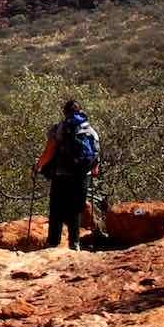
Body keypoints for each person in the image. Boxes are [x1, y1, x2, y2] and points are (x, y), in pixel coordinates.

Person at [35, 100, 101, 250]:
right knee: (75, 209)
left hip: (61, 175)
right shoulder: (90, 130)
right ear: (81, 111)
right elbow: (96, 153)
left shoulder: (59, 128)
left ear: (64, 112)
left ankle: (53, 243)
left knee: (56, 208)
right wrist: (93, 169)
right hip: (82, 175)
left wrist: (39, 166)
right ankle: (74, 243)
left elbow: (49, 151)